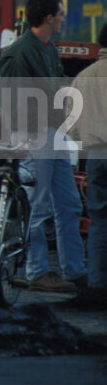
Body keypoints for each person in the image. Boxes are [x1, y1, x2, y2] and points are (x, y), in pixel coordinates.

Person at [0, 0, 88, 292]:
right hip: (34, 135)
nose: (63, 19)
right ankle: (37, 271)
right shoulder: (21, 52)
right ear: (49, 18)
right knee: (37, 206)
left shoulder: (46, 48)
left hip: (53, 133)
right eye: (61, 14)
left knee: (68, 203)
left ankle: (74, 269)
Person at [72, 23, 107, 293]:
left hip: (95, 157)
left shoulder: (83, 77)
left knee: (99, 222)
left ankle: (96, 284)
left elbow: (71, 126)